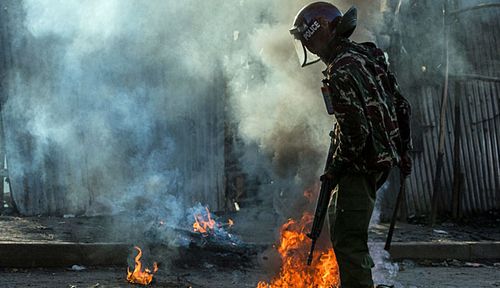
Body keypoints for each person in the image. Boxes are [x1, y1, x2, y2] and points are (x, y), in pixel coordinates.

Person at [289, 2, 412, 288]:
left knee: (347, 240)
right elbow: (401, 106)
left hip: (361, 165)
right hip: (380, 160)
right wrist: (404, 151)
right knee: (346, 231)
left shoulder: (340, 72)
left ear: (316, 35)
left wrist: (335, 169)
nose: (312, 50)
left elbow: (355, 134)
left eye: (309, 40)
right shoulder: (367, 55)